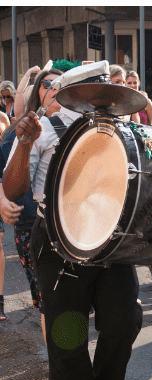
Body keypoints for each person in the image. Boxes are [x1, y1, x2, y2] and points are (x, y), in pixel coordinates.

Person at [3, 61, 143, 380]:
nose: (107, 94)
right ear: (77, 93)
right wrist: (26, 142)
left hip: (111, 246)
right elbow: (13, 189)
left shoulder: (121, 129)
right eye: (98, 89)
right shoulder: (44, 128)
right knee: (68, 337)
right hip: (60, 249)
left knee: (124, 321)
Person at [0, 66, 62, 330]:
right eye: (46, 84)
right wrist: (3, 201)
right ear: (37, 92)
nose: (53, 88)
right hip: (30, 221)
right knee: (47, 301)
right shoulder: (17, 130)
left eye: (59, 83)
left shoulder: (84, 126)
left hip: (73, 226)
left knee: (65, 300)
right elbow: (4, 176)